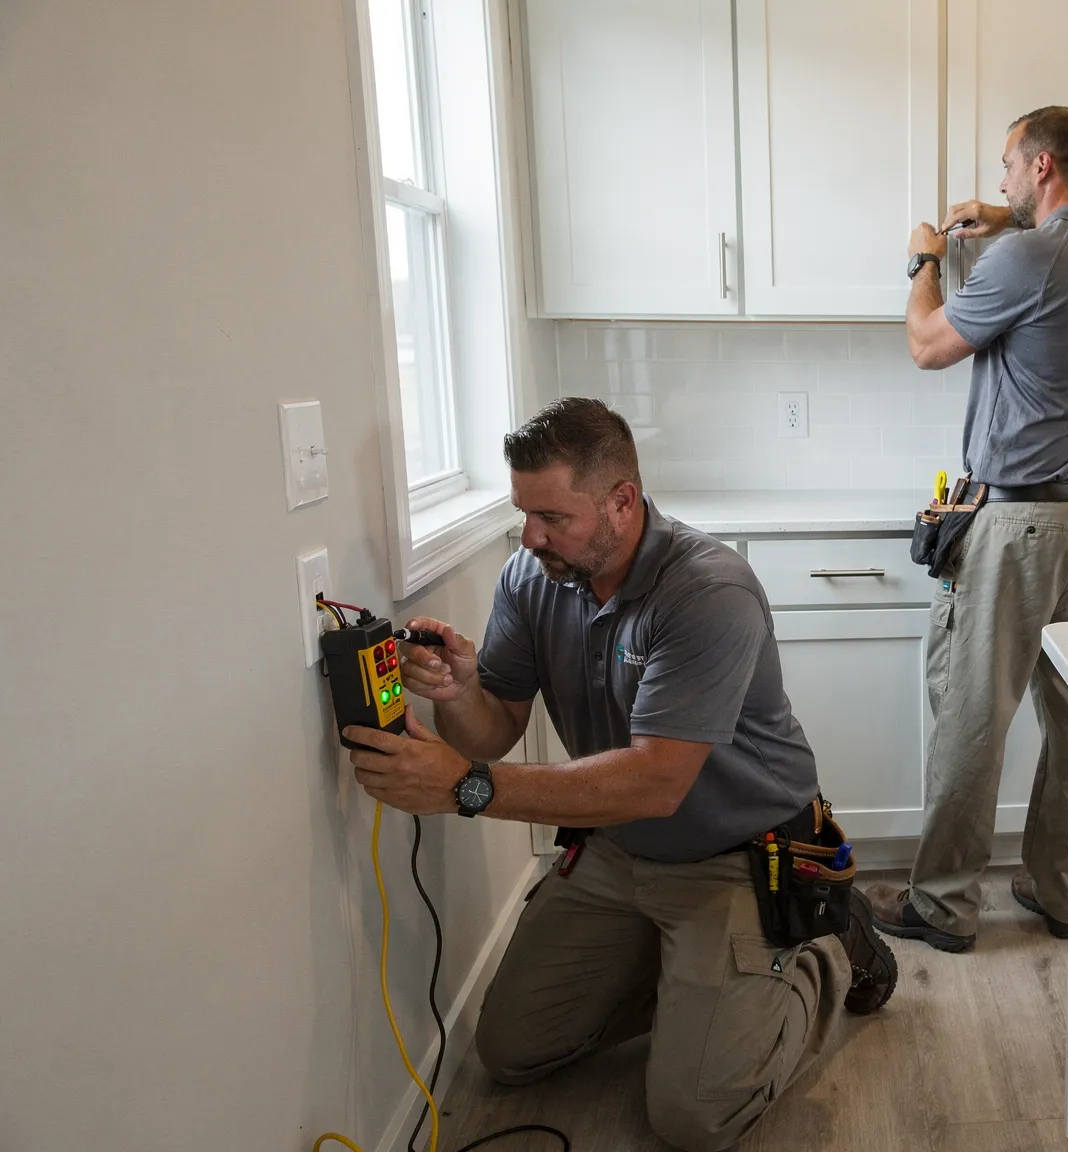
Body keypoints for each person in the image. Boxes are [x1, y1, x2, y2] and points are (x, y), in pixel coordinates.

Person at [342, 397, 896, 1152]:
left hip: (740, 857)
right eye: (521, 513)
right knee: (510, 1052)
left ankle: (828, 942)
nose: (530, 535)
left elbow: (655, 781)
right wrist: (461, 694)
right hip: (619, 852)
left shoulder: (707, 591)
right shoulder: (530, 577)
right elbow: (495, 728)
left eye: (551, 518)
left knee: (694, 1119)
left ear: (622, 501)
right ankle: (697, 978)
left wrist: (463, 787)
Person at [869, 106, 1068, 952]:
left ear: (1040, 167)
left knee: (969, 712)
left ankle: (944, 905)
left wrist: (925, 256)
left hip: (1020, 525)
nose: (995, 186)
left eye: (1005, 170)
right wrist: (1005, 218)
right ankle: (1060, 890)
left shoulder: (1032, 258)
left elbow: (926, 344)